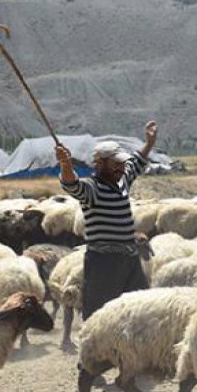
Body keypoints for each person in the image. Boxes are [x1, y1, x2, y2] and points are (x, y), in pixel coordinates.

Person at [54, 121, 157, 321]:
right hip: (104, 262)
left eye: (122, 163)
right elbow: (72, 184)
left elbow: (137, 162)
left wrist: (149, 143)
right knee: (100, 315)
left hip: (130, 259)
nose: (121, 167)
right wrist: (65, 164)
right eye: (115, 163)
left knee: (140, 310)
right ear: (100, 163)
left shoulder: (122, 181)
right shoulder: (92, 188)